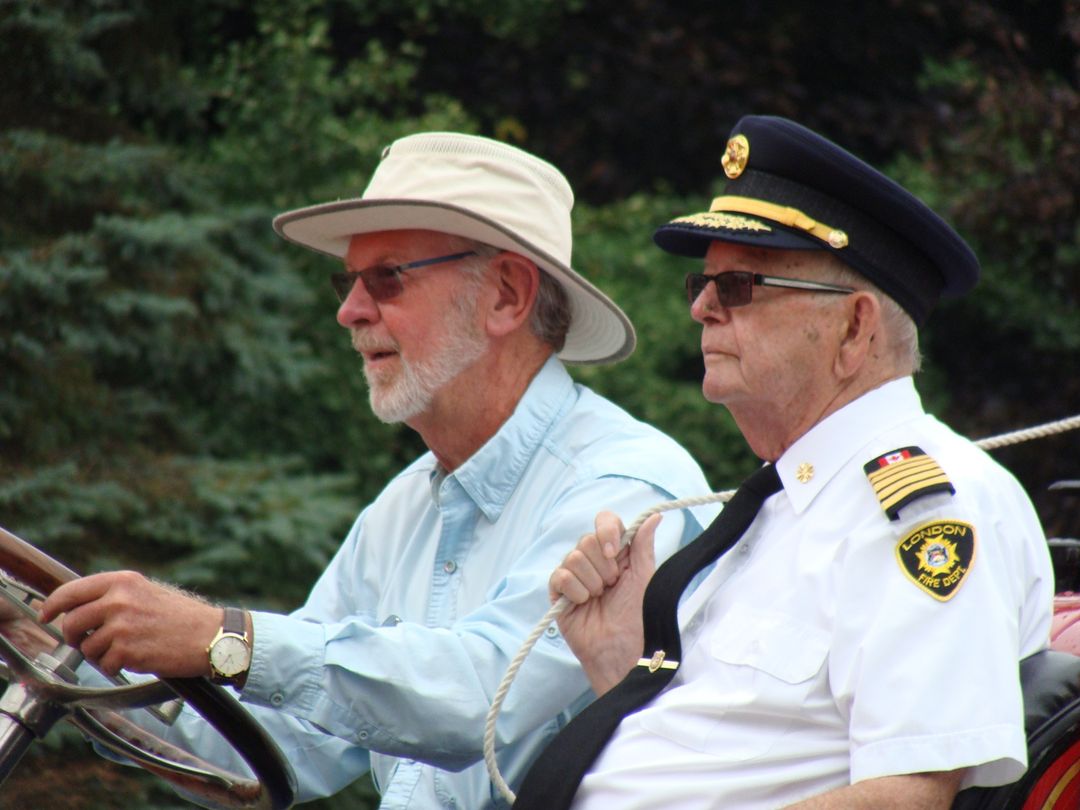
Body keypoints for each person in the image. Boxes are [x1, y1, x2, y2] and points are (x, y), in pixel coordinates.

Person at [21, 133, 714, 807]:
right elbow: (269, 753)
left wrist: (223, 638)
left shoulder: (629, 490)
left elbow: (482, 699)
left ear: (506, 294)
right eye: (348, 279)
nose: (348, 311)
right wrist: (56, 655)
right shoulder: (402, 511)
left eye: (387, 278)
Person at [513, 115, 1055, 809]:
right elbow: (736, 752)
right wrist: (623, 662)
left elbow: (907, 796)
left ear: (854, 328)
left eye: (738, 286)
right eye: (701, 287)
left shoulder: (927, 507)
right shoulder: (785, 506)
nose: (703, 308)